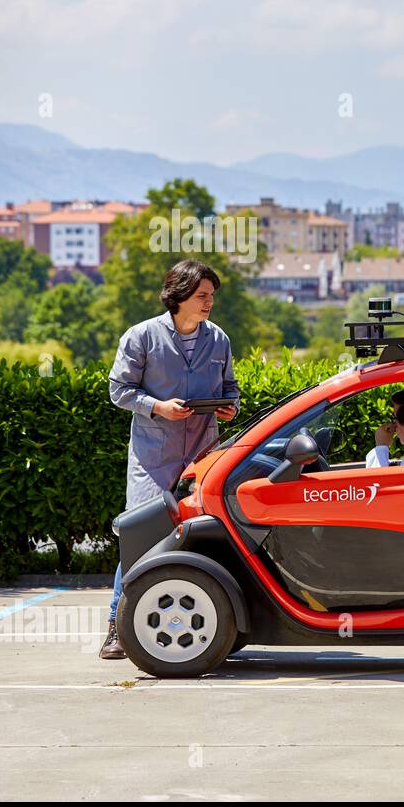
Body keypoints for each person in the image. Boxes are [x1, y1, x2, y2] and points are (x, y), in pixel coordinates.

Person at [100, 260, 239, 660]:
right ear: (179, 296)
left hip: (202, 453)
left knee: (205, 531)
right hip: (153, 455)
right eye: (202, 295)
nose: (209, 301)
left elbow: (230, 387)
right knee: (140, 537)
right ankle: (117, 627)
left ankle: (213, 627)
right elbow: (119, 390)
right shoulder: (141, 336)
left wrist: (230, 406)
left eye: (212, 295)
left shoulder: (219, 340)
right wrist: (157, 406)